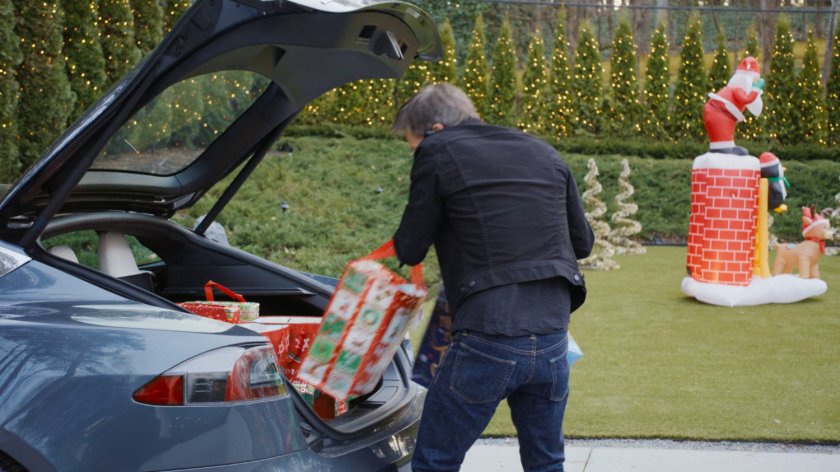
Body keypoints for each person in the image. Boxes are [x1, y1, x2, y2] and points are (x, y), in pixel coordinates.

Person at [391, 83, 594, 472]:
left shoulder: (438, 149)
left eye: (411, 144)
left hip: (490, 335)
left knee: (435, 461)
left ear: (434, 130)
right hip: (553, 337)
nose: (414, 152)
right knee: (546, 463)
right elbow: (582, 242)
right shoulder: (542, 151)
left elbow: (410, 247)